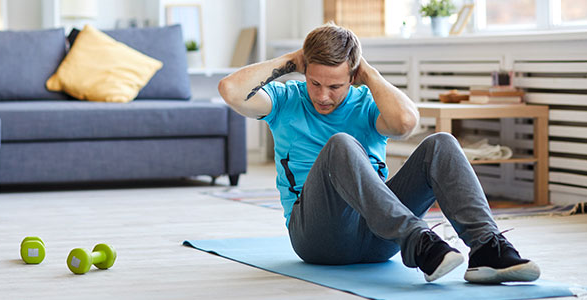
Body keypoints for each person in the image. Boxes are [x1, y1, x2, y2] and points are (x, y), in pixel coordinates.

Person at [218, 23, 541, 284]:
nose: (323, 96)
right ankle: (420, 243)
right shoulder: (286, 99)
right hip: (317, 237)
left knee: (441, 144)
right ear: (304, 72)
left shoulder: (365, 102)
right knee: (340, 145)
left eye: (335, 86)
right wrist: (293, 59)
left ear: (352, 76)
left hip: (379, 236)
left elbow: (405, 123)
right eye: (315, 83)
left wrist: (369, 74)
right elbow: (230, 91)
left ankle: (487, 248)